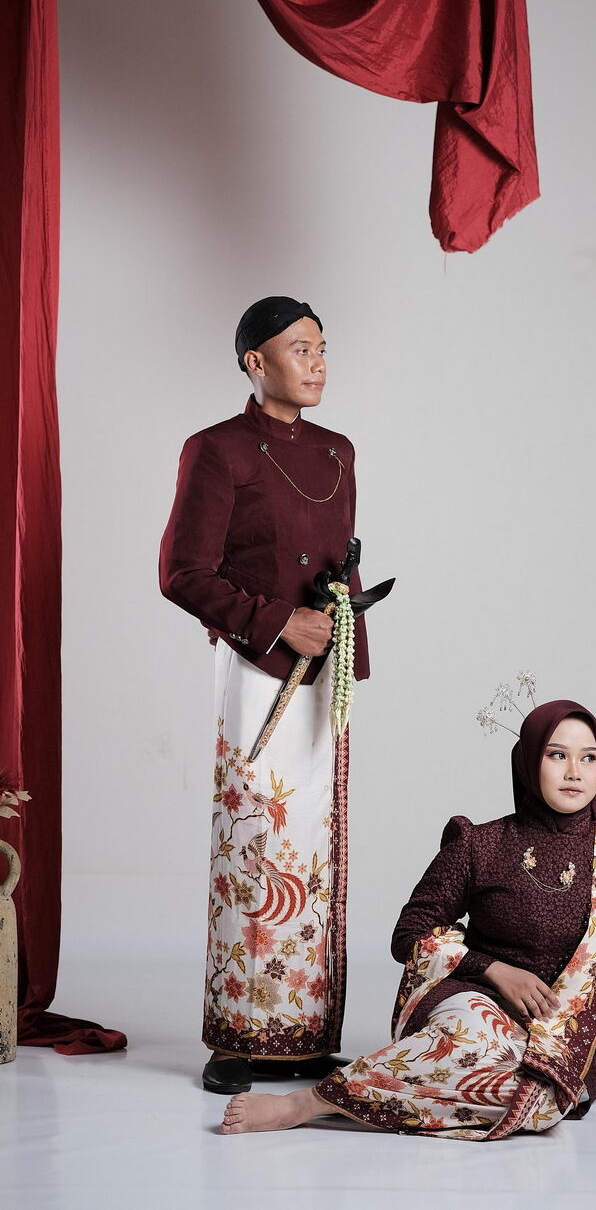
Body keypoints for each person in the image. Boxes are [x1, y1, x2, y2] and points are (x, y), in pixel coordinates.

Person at [218, 698, 596, 1137]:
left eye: (589, 757)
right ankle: (310, 1102)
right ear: (528, 761)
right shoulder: (480, 844)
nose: (575, 772)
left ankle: (378, 1090)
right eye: (557, 755)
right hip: (470, 1002)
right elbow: (409, 935)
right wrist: (493, 971)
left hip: (559, 1041)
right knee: (477, 1036)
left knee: (537, 1102)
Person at [160, 296, 372, 1094]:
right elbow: (182, 573)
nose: (317, 363)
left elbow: (342, 563)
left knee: (313, 850)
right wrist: (279, 623)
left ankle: (303, 1036)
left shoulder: (337, 451)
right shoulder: (215, 449)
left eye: (322, 348)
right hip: (256, 670)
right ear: (256, 362)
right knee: (254, 843)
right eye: (299, 349)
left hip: (324, 674)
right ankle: (236, 1037)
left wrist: (344, 638)